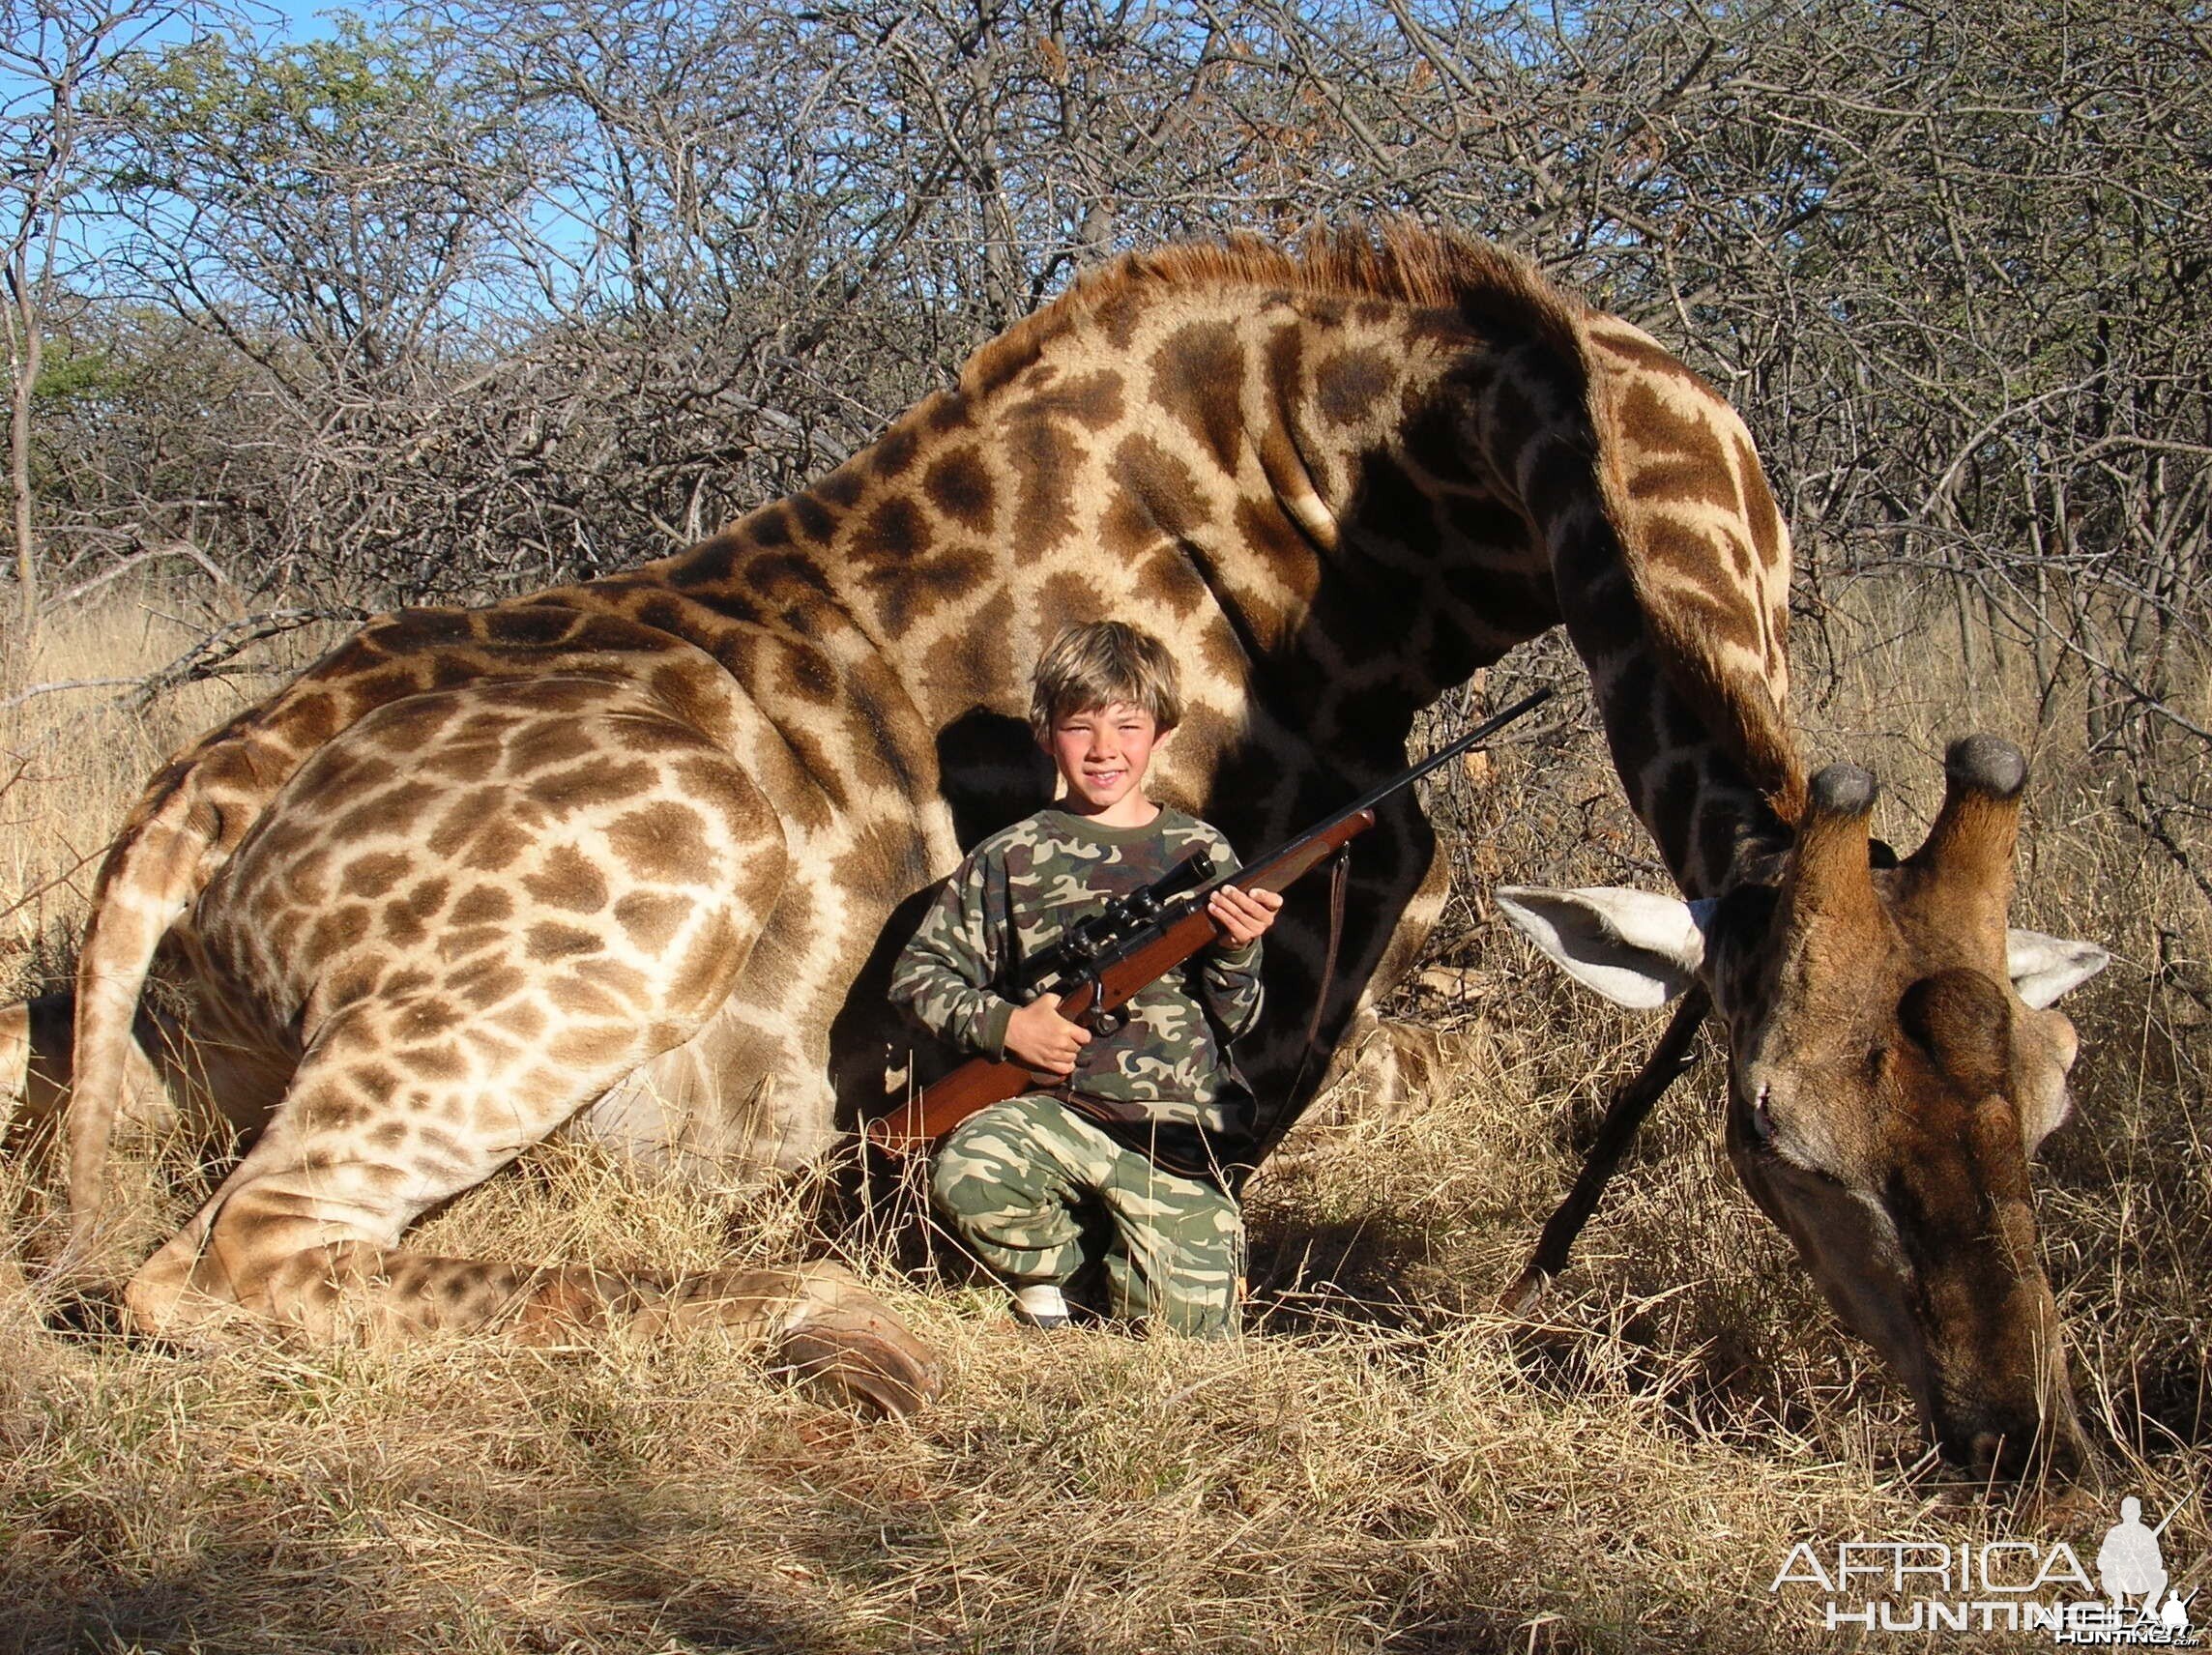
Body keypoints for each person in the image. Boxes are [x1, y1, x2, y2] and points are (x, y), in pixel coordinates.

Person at [890, 621, 1282, 1335]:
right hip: (1058, 1114)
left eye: (1128, 726)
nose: (1105, 750)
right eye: (1081, 727)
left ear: (1162, 734)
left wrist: (1234, 952)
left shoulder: (1201, 851)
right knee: (971, 1166)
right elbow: (919, 976)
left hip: (1177, 1132)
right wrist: (1009, 1026)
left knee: (1182, 1354)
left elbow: (1239, 1019)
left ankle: (1140, 1260)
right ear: (1046, 736)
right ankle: (1053, 1278)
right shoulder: (1008, 856)